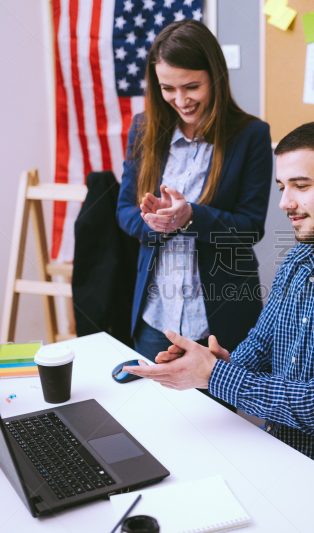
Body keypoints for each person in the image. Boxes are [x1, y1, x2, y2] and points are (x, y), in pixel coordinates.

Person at [124, 120, 314, 502]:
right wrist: (214, 361)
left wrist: (216, 375)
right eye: (282, 188)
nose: (285, 203)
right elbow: (261, 346)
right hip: (275, 456)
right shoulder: (301, 255)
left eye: (301, 186)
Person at [117, 20, 273, 381]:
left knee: (217, 431)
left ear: (215, 77)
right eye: (168, 88)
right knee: (155, 425)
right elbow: (124, 210)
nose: (181, 100)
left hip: (219, 319)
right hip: (155, 318)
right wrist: (152, 220)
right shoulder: (143, 128)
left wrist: (190, 216)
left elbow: (250, 228)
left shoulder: (251, 136)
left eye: (192, 86)